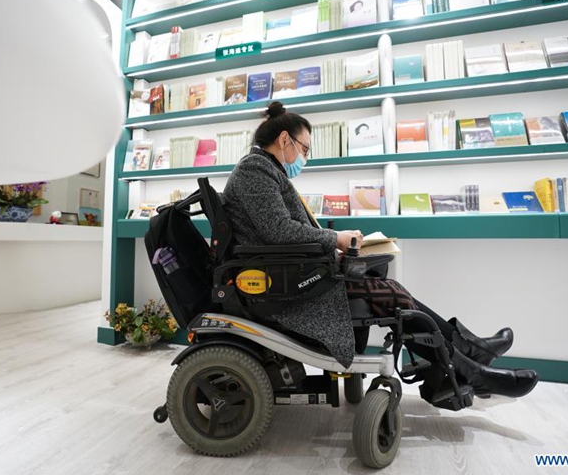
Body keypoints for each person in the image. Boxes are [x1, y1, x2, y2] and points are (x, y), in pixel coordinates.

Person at [223, 101, 539, 398]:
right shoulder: (255, 170)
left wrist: (334, 246)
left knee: (390, 289)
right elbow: (277, 231)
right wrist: (337, 240)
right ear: (284, 140)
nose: (305, 156)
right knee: (394, 295)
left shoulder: (265, 170)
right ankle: (472, 367)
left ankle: (469, 353)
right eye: (304, 148)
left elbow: (278, 233)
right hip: (282, 286)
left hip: (291, 276)